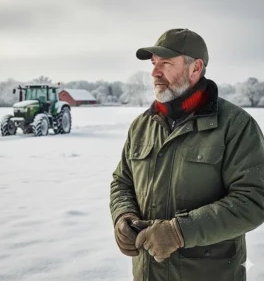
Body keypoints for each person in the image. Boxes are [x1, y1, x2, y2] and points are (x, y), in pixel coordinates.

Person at [109, 28, 264, 281]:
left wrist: (180, 231)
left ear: (196, 68)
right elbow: (122, 181)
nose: (154, 72)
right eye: (154, 63)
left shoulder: (235, 126)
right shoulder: (142, 126)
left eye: (166, 63)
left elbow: (254, 199)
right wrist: (122, 216)